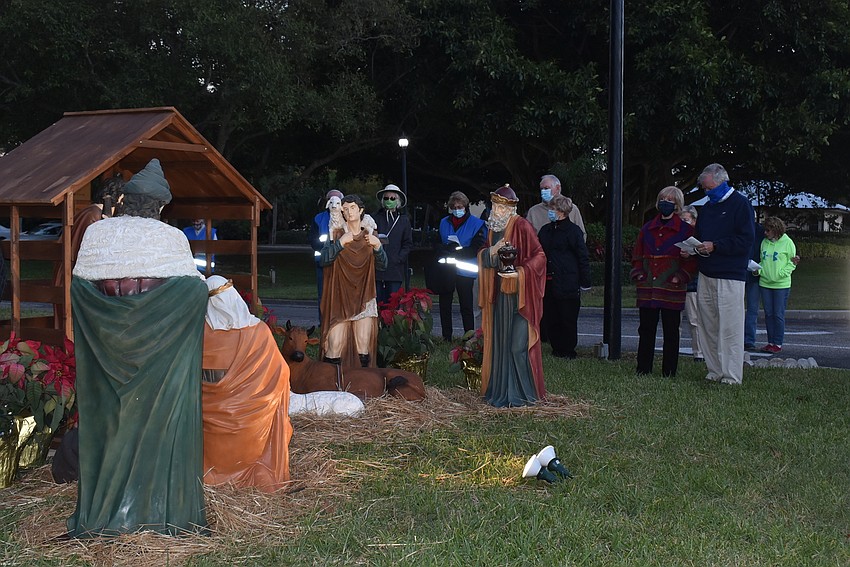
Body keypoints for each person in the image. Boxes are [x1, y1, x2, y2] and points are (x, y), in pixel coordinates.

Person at [68, 158, 207, 537]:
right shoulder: (171, 239)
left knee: (112, 421)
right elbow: (193, 291)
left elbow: (80, 290)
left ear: (125, 201)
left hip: (107, 352)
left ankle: (107, 511)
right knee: (159, 424)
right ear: (161, 207)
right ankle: (155, 511)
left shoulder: (99, 235)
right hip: (161, 356)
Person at [201, 275, 293, 492]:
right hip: (253, 429)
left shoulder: (201, 335)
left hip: (211, 432)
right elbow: (282, 373)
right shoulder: (259, 332)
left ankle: (214, 477)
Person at [477, 184, 546, 407]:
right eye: (494, 205)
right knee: (500, 344)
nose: (495, 211)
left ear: (510, 209)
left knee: (518, 345)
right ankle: (501, 392)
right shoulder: (492, 229)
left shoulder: (522, 226)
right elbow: (485, 256)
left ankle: (525, 395)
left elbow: (540, 256)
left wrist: (520, 273)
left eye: (500, 206)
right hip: (498, 297)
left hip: (519, 298)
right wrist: (492, 251)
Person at [690, 163, 755, 385]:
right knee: (707, 325)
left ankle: (731, 375)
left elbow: (745, 240)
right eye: (704, 189)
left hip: (730, 275)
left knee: (729, 326)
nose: (707, 192)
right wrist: (693, 248)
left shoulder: (741, 204)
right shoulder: (707, 208)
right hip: (706, 273)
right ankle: (714, 370)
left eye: (709, 188)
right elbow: (699, 236)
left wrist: (716, 246)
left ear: (721, 181)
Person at [631, 187, 697, 377]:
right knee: (646, 330)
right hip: (648, 286)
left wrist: (680, 276)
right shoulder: (647, 228)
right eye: (662, 198)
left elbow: (693, 260)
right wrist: (639, 273)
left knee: (671, 331)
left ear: (677, 204)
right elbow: (637, 254)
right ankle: (643, 368)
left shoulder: (686, 230)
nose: (665, 202)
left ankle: (669, 371)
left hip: (671, 286)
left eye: (670, 199)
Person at [320, 194, 387, 368]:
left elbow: (383, 265)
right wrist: (340, 243)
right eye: (345, 208)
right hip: (340, 296)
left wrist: (378, 247)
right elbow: (324, 260)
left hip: (364, 295)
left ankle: (362, 385)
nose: (349, 212)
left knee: (363, 345)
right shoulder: (336, 235)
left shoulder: (370, 236)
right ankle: (331, 386)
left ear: (361, 210)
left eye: (352, 208)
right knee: (334, 344)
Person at [537, 194, 591, 359]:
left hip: (568, 281)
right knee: (551, 316)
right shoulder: (545, 230)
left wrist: (585, 281)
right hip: (549, 280)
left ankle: (568, 350)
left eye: (553, 209)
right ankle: (556, 347)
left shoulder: (573, 231)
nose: (550, 212)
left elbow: (582, 256)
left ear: (562, 211)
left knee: (567, 317)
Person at [435, 191, 487, 341]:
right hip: (447, 268)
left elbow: (477, 246)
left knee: (466, 305)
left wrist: (458, 251)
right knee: (445, 304)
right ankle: (446, 336)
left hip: (466, 271)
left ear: (466, 206)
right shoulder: (444, 222)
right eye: (454, 207)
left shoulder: (477, 224)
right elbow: (437, 242)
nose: (457, 209)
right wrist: (445, 249)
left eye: (460, 206)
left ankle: (468, 336)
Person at [757, 217, 797, 353]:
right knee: (768, 314)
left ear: (776, 230)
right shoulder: (764, 242)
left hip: (781, 284)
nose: (765, 233)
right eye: (765, 230)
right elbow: (762, 260)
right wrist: (759, 270)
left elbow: (792, 263)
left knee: (778, 314)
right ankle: (770, 342)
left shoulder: (788, 243)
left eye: (768, 230)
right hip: (765, 283)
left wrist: (781, 274)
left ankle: (778, 343)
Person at [373, 184, 413, 305]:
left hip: (395, 270)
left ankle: (391, 325)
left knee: (393, 305)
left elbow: (408, 244)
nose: (389, 201)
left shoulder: (403, 220)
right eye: (386, 198)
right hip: (377, 268)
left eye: (392, 198)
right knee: (377, 303)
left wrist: (398, 258)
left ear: (398, 201)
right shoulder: (374, 218)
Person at [309, 189, 345, 320]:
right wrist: (327, 250)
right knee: (323, 295)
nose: (334, 204)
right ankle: (323, 322)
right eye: (331, 200)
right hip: (322, 262)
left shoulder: (347, 217)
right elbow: (313, 240)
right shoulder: (318, 218)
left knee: (341, 294)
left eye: (337, 201)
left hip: (342, 263)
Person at [526, 174, 586, 239]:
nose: (543, 191)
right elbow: (527, 237)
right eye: (541, 189)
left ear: (557, 188)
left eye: (546, 188)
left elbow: (582, 235)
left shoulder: (572, 209)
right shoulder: (533, 211)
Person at [679, 205, 704, 362]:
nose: (683, 222)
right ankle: (673, 348)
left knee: (694, 319)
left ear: (694, 220)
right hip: (676, 280)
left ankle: (699, 353)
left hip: (692, 281)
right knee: (675, 319)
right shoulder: (677, 233)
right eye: (681, 219)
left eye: (686, 219)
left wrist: (692, 253)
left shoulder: (698, 235)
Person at [744, 217, 766, 351]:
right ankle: (735, 338)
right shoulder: (737, 228)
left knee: (752, 309)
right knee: (735, 308)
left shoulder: (761, 231)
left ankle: (749, 340)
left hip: (754, 272)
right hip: (738, 272)